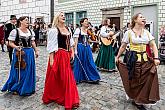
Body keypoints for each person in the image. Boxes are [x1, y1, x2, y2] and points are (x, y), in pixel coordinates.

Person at [116, 13, 160, 110]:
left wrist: (156, 58)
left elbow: (153, 45)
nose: (144, 18)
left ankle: (140, 99)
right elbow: (123, 46)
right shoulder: (129, 33)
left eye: (144, 17)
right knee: (135, 80)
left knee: (148, 78)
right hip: (133, 60)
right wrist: (117, 56)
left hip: (145, 60)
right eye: (141, 17)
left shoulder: (147, 32)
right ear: (135, 20)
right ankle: (135, 97)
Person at [42, 12, 79, 110]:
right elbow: (51, 46)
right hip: (59, 55)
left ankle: (67, 96)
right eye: (61, 15)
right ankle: (59, 95)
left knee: (68, 76)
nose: (64, 17)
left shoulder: (68, 29)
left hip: (67, 55)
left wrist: (72, 53)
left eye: (64, 16)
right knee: (60, 76)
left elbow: (71, 43)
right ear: (57, 18)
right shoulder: (54, 30)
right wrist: (51, 60)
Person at [1, 16, 39, 96]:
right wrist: (16, 47)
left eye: (28, 20)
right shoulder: (15, 31)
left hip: (29, 53)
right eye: (26, 20)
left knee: (28, 70)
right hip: (20, 53)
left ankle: (27, 88)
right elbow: (9, 42)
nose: (28, 22)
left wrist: (36, 50)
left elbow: (32, 42)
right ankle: (16, 87)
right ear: (21, 21)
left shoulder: (30, 31)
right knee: (19, 71)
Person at [73, 18, 100, 84]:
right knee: (79, 63)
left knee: (89, 62)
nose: (87, 22)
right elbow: (75, 40)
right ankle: (79, 78)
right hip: (80, 47)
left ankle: (92, 77)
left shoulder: (88, 31)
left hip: (87, 48)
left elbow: (88, 40)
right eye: (85, 21)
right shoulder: (78, 30)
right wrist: (75, 50)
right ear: (82, 23)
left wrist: (95, 41)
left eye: (87, 21)